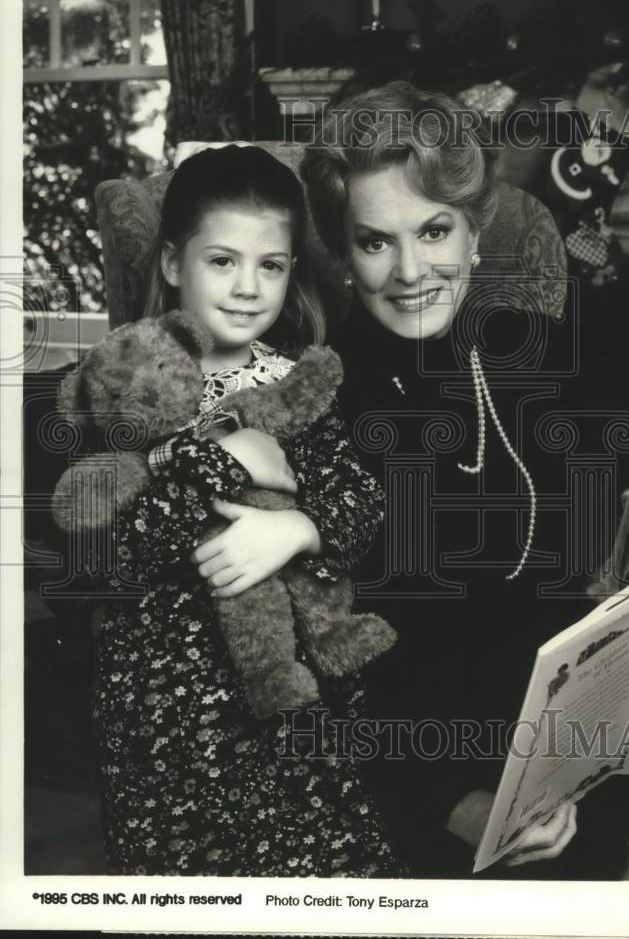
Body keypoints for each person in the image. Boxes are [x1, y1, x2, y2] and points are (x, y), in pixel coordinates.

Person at [294, 80, 629, 880]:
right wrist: (456, 804)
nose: (410, 270)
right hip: (422, 763)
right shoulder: (320, 402)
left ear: (472, 233)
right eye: (374, 241)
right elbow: (318, 665)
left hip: (572, 726)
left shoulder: (533, 348)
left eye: (433, 231)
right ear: (340, 250)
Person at [88, 145, 404, 876]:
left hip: (290, 692)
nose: (246, 288)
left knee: (325, 875)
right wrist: (222, 459)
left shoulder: (299, 386)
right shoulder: (126, 381)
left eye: (270, 265)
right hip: (164, 710)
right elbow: (112, 549)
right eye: (222, 261)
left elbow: (359, 504)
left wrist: (299, 527)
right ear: (172, 263)